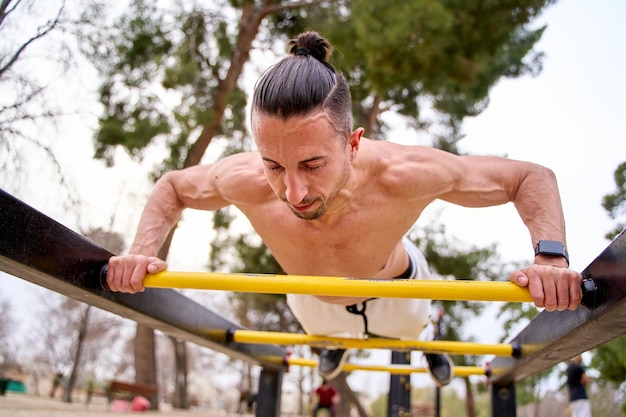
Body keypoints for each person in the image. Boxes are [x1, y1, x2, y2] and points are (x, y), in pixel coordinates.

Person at [105, 31, 582, 386]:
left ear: (353, 144)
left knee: (413, 327)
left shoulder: (403, 172)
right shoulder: (244, 179)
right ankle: (333, 342)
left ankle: (427, 343)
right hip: (312, 299)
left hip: (397, 291)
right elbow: (173, 187)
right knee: (319, 326)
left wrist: (551, 258)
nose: (293, 192)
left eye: (312, 164)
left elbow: (529, 177)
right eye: (274, 164)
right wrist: (139, 251)